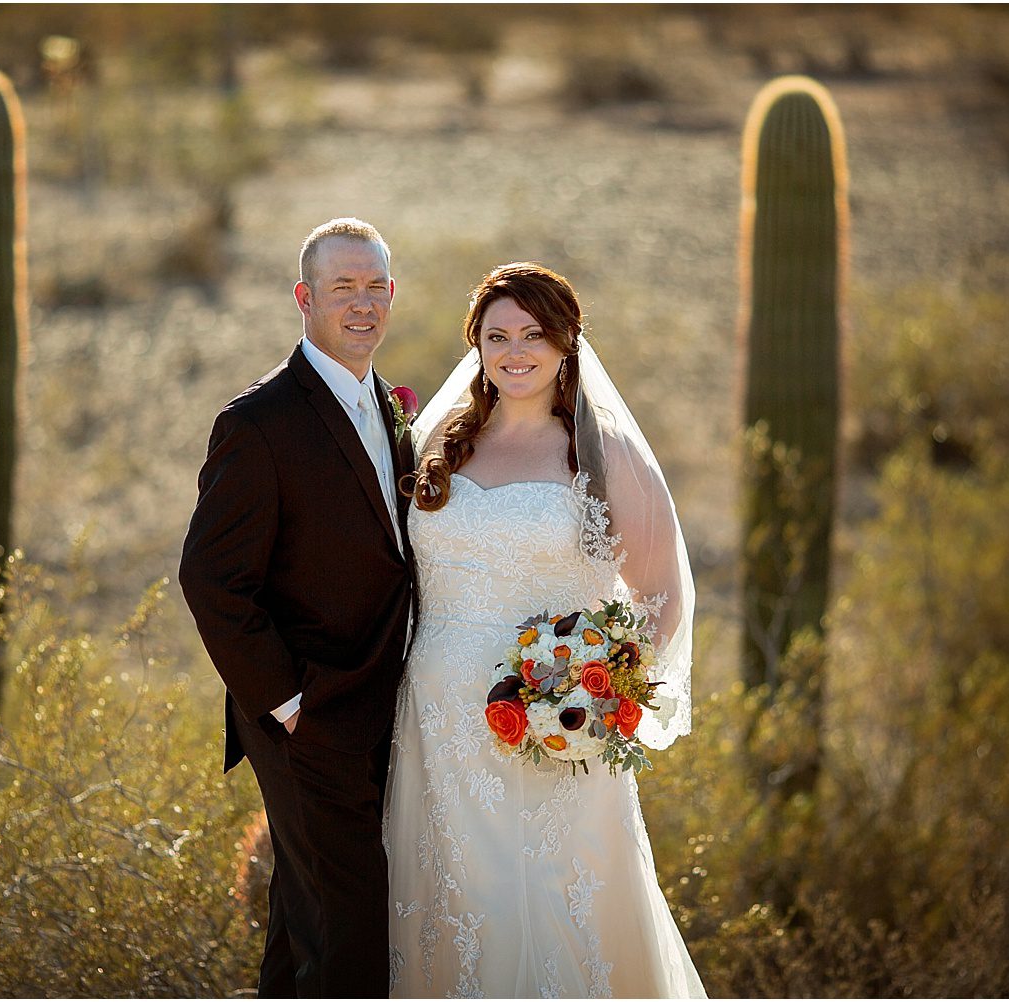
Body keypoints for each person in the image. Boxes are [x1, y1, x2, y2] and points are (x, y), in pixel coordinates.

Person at [385, 263, 706, 998]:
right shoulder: (438, 442)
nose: (515, 351)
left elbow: (661, 594)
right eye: (497, 336)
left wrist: (599, 699)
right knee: (454, 908)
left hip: (556, 733)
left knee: (553, 907)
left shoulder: (601, 453)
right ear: (476, 345)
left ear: (566, 343)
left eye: (533, 334)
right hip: (436, 725)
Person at [179, 218, 416, 998]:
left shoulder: (389, 405)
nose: (362, 304)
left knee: (305, 925)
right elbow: (211, 578)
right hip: (307, 715)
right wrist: (287, 703)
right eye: (343, 287)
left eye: (375, 286)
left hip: (375, 706)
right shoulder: (259, 422)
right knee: (351, 934)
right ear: (304, 298)